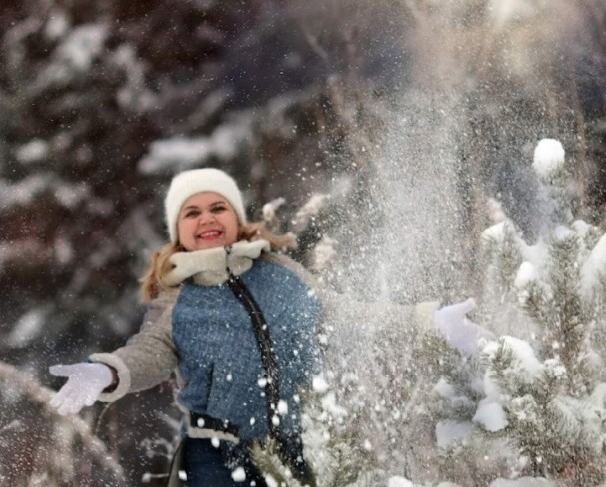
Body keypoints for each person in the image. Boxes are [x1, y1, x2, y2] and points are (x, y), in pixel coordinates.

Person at [49, 168, 490, 487]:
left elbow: (339, 313)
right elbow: (149, 352)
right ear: (177, 231)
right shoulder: (177, 297)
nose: (207, 218)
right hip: (215, 454)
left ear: (237, 218)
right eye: (193, 212)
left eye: (218, 207)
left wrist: (424, 319)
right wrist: (106, 371)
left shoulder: (278, 272)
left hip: (292, 443)